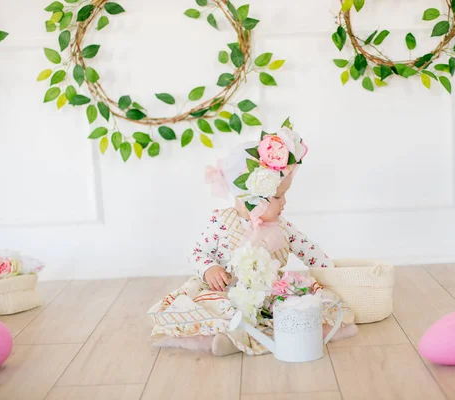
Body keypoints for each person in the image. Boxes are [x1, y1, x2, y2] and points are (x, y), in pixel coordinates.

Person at [147, 121, 356, 356]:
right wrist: (209, 268)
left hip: (267, 293)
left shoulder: (282, 226)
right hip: (227, 291)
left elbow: (309, 250)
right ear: (252, 198)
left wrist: (335, 272)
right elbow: (197, 252)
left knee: (294, 308)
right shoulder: (221, 221)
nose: (284, 202)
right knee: (217, 308)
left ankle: (263, 335)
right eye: (278, 196)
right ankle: (227, 337)